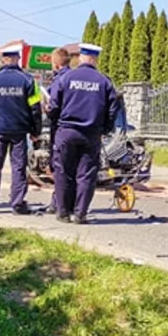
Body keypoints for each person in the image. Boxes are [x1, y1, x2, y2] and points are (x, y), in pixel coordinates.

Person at [47, 43, 119, 224]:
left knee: (63, 171)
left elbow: (54, 105)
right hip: (91, 134)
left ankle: (63, 212)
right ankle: (80, 213)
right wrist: (105, 129)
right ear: (95, 59)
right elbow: (113, 109)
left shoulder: (67, 77)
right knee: (86, 174)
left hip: (67, 131)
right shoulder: (104, 81)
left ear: (80, 57)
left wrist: (54, 121)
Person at [0, 45, 42, 215]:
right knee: (18, 167)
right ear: (17, 58)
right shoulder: (28, 80)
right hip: (19, 130)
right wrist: (35, 130)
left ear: (3, 59)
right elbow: (35, 108)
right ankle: (17, 204)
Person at [45, 47, 72, 210]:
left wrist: (47, 109)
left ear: (55, 64)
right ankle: (72, 203)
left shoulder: (60, 80)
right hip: (80, 129)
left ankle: (58, 203)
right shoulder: (75, 77)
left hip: (61, 128)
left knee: (59, 166)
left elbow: (54, 106)